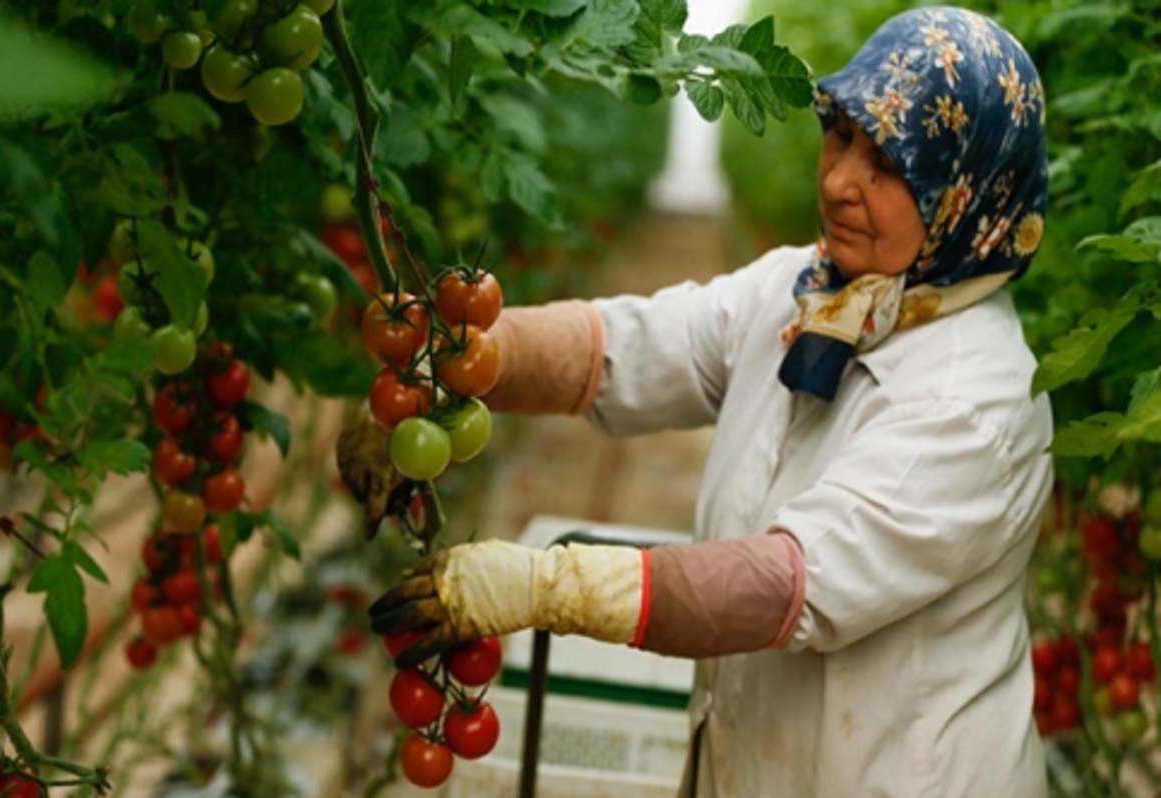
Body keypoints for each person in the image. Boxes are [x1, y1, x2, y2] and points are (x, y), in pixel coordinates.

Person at [369, 6, 1053, 796]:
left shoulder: (977, 399)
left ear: (968, 196)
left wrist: (545, 587)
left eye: (890, 166)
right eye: (841, 137)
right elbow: (630, 347)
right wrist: (444, 364)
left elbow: (787, 585)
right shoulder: (812, 290)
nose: (838, 181)